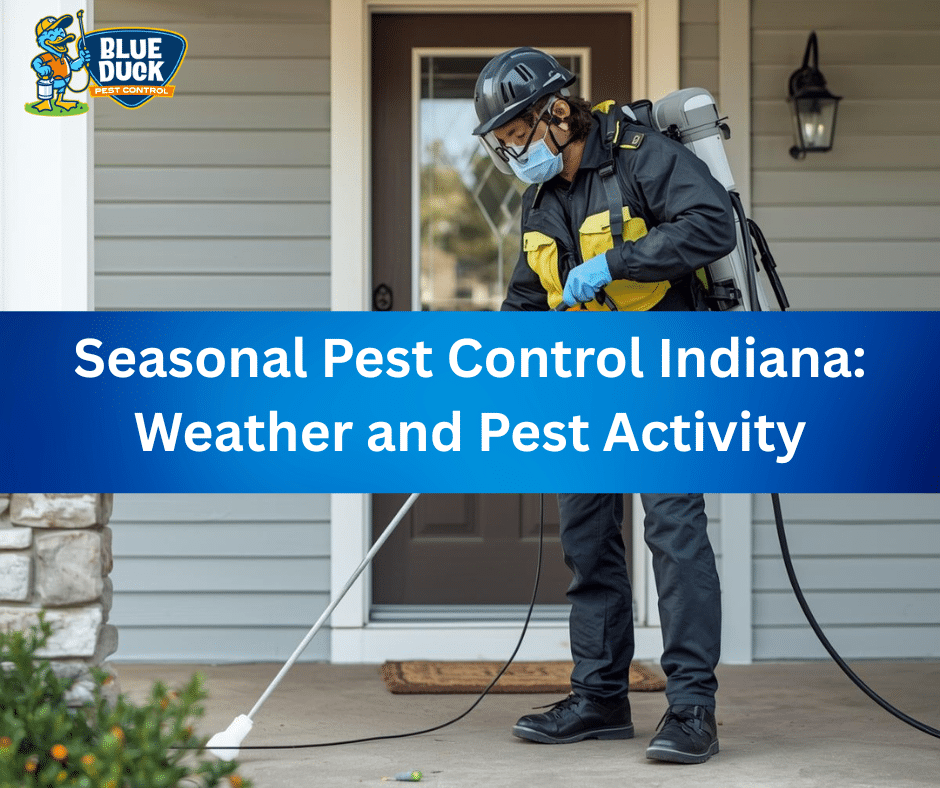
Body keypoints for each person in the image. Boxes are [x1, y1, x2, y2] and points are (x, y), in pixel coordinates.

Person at [471, 48, 737, 764]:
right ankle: (598, 699)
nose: (509, 149)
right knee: (587, 537)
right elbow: (530, 295)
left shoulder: (639, 158)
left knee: (674, 533)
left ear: (556, 113)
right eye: (501, 139)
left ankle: (691, 709)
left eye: (515, 132)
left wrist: (615, 264)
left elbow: (714, 226)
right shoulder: (540, 198)